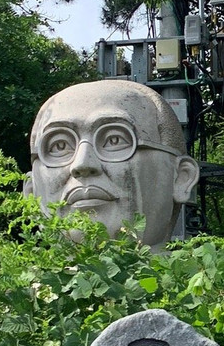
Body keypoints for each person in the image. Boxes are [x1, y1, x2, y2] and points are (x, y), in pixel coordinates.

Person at [24, 81, 200, 249]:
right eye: (59, 146)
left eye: (114, 140)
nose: (82, 164)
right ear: (31, 192)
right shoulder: (7, 280)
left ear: (181, 178)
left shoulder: (206, 279)